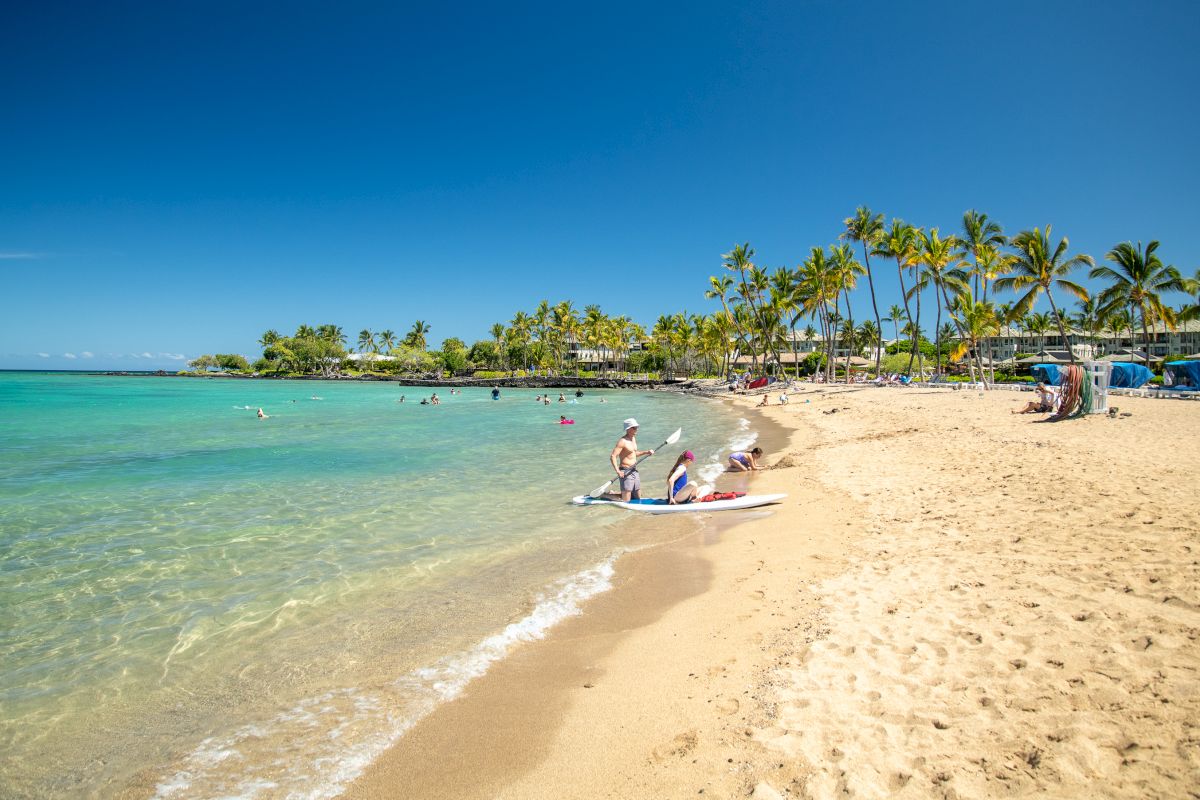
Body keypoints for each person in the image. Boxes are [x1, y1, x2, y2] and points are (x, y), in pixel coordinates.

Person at [609, 418, 654, 501]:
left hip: (634, 470)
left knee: (638, 496)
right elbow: (613, 456)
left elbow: (634, 454)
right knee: (626, 500)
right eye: (634, 427)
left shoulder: (633, 439)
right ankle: (608, 496)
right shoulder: (622, 441)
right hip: (625, 471)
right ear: (628, 429)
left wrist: (646, 452)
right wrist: (618, 471)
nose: (637, 429)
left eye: (637, 427)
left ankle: (614, 493)